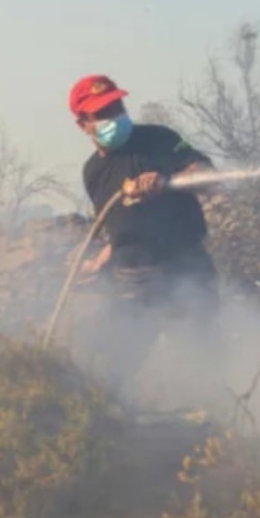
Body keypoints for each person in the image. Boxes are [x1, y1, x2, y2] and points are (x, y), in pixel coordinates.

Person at [68, 74, 225, 403]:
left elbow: (209, 178)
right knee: (111, 369)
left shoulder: (158, 140)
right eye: (103, 113)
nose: (114, 117)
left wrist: (167, 179)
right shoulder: (93, 173)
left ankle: (218, 426)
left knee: (205, 359)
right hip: (132, 282)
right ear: (83, 125)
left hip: (186, 268)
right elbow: (118, 225)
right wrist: (101, 261)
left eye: (117, 106)